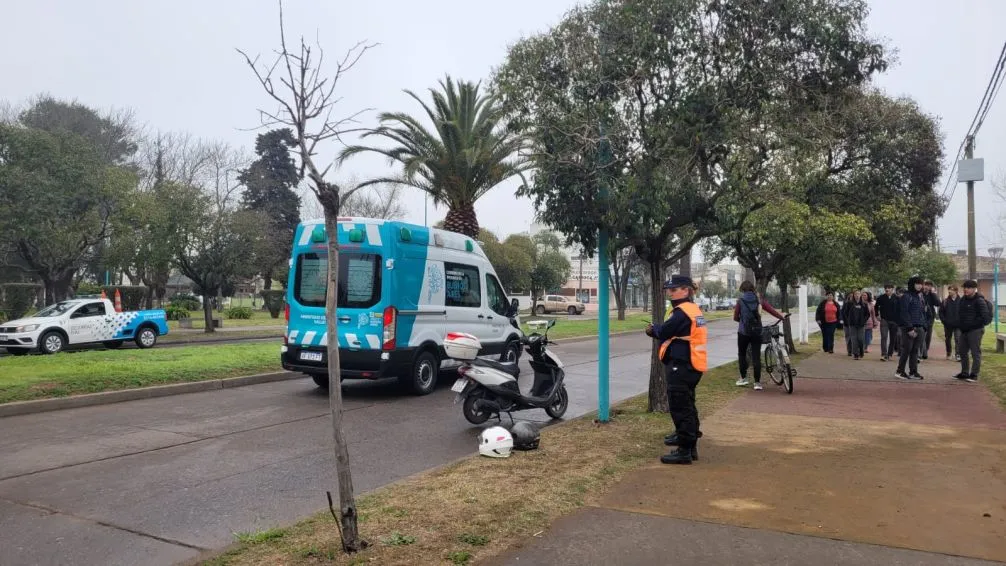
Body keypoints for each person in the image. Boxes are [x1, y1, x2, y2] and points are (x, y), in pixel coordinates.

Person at [646, 275, 707, 465]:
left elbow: (664, 332)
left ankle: (684, 450)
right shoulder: (693, 309)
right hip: (691, 364)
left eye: (674, 289)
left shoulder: (682, 312)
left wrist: (652, 330)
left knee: (681, 406)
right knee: (688, 405)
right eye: (668, 290)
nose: (670, 293)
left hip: (682, 364)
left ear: (686, 290)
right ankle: (690, 444)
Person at [732, 281, 786, 391]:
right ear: (752, 289)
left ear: (742, 289)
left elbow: (735, 317)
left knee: (742, 354)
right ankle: (757, 383)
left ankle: (743, 378)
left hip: (743, 332)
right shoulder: (759, 300)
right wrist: (781, 317)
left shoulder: (740, 301)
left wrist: (743, 322)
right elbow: (771, 310)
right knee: (756, 356)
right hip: (757, 331)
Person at [955, 279, 993, 383]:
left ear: (974, 289)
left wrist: (972, 325)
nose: (966, 290)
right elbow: (960, 314)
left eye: (968, 288)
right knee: (962, 351)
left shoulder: (979, 301)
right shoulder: (963, 300)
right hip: (964, 330)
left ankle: (974, 374)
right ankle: (964, 372)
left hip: (975, 330)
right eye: (965, 288)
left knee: (975, 352)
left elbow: (984, 317)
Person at [896, 276, 927, 380]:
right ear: (912, 284)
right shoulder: (906, 296)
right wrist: (909, 328)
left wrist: (924, 326)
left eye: (921, 283)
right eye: (917, 283)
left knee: (915, 350)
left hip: (920, 327)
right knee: (907, 349)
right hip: (909, 328)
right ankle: (900, 371)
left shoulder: (920, 296)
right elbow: (904, 313)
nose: (919, 285)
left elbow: (922, 312)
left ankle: (913, 372)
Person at [875, 284, 899, 361]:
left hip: (895, 321)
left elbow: (901, 309)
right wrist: (877, 315)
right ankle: (884, 354)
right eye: (886, 288)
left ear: (892, 289)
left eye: (889, 288)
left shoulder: (897, 298)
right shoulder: (881, 298)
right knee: (884, 337)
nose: (887, 289)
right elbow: (876, 307)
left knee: (893, 338)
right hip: (884, 320)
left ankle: (890, 353)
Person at [841, 289, 868, 360]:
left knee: (860, 339)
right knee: (854, 339)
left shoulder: (864, 304)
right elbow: (845, 313)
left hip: (861, 325)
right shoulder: (849, 303)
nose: (857, 295)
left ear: (860, 295)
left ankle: (861, 351)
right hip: (852, 325)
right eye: (856, 294)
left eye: (858, 294)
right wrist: (849, 320)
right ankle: (855, 354)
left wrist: (864, 321)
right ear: (853, 295)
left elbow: (867, 314)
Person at [920, 280, 941, 360]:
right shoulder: (920, 293)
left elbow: (938, 303)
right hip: (921, 316)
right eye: (926, 285)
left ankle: (926, 350)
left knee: (928, 335)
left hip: (930, 316)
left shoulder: (932, 295)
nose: (927, 287)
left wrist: (933, 294)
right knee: (922, 334)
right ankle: (922, 352)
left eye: (929, 286)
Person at [940, 285, 961, 362]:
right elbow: (941, 312)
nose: (949, 291)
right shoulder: (945, 301)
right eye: (949, 290)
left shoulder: (961, 301)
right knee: (948, 339)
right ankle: (948, 353)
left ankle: (958, 354)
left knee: (958, 339)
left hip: (958, 325)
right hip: (948, 325)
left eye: (951, 290)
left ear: (956, 291)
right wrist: (944, 321)